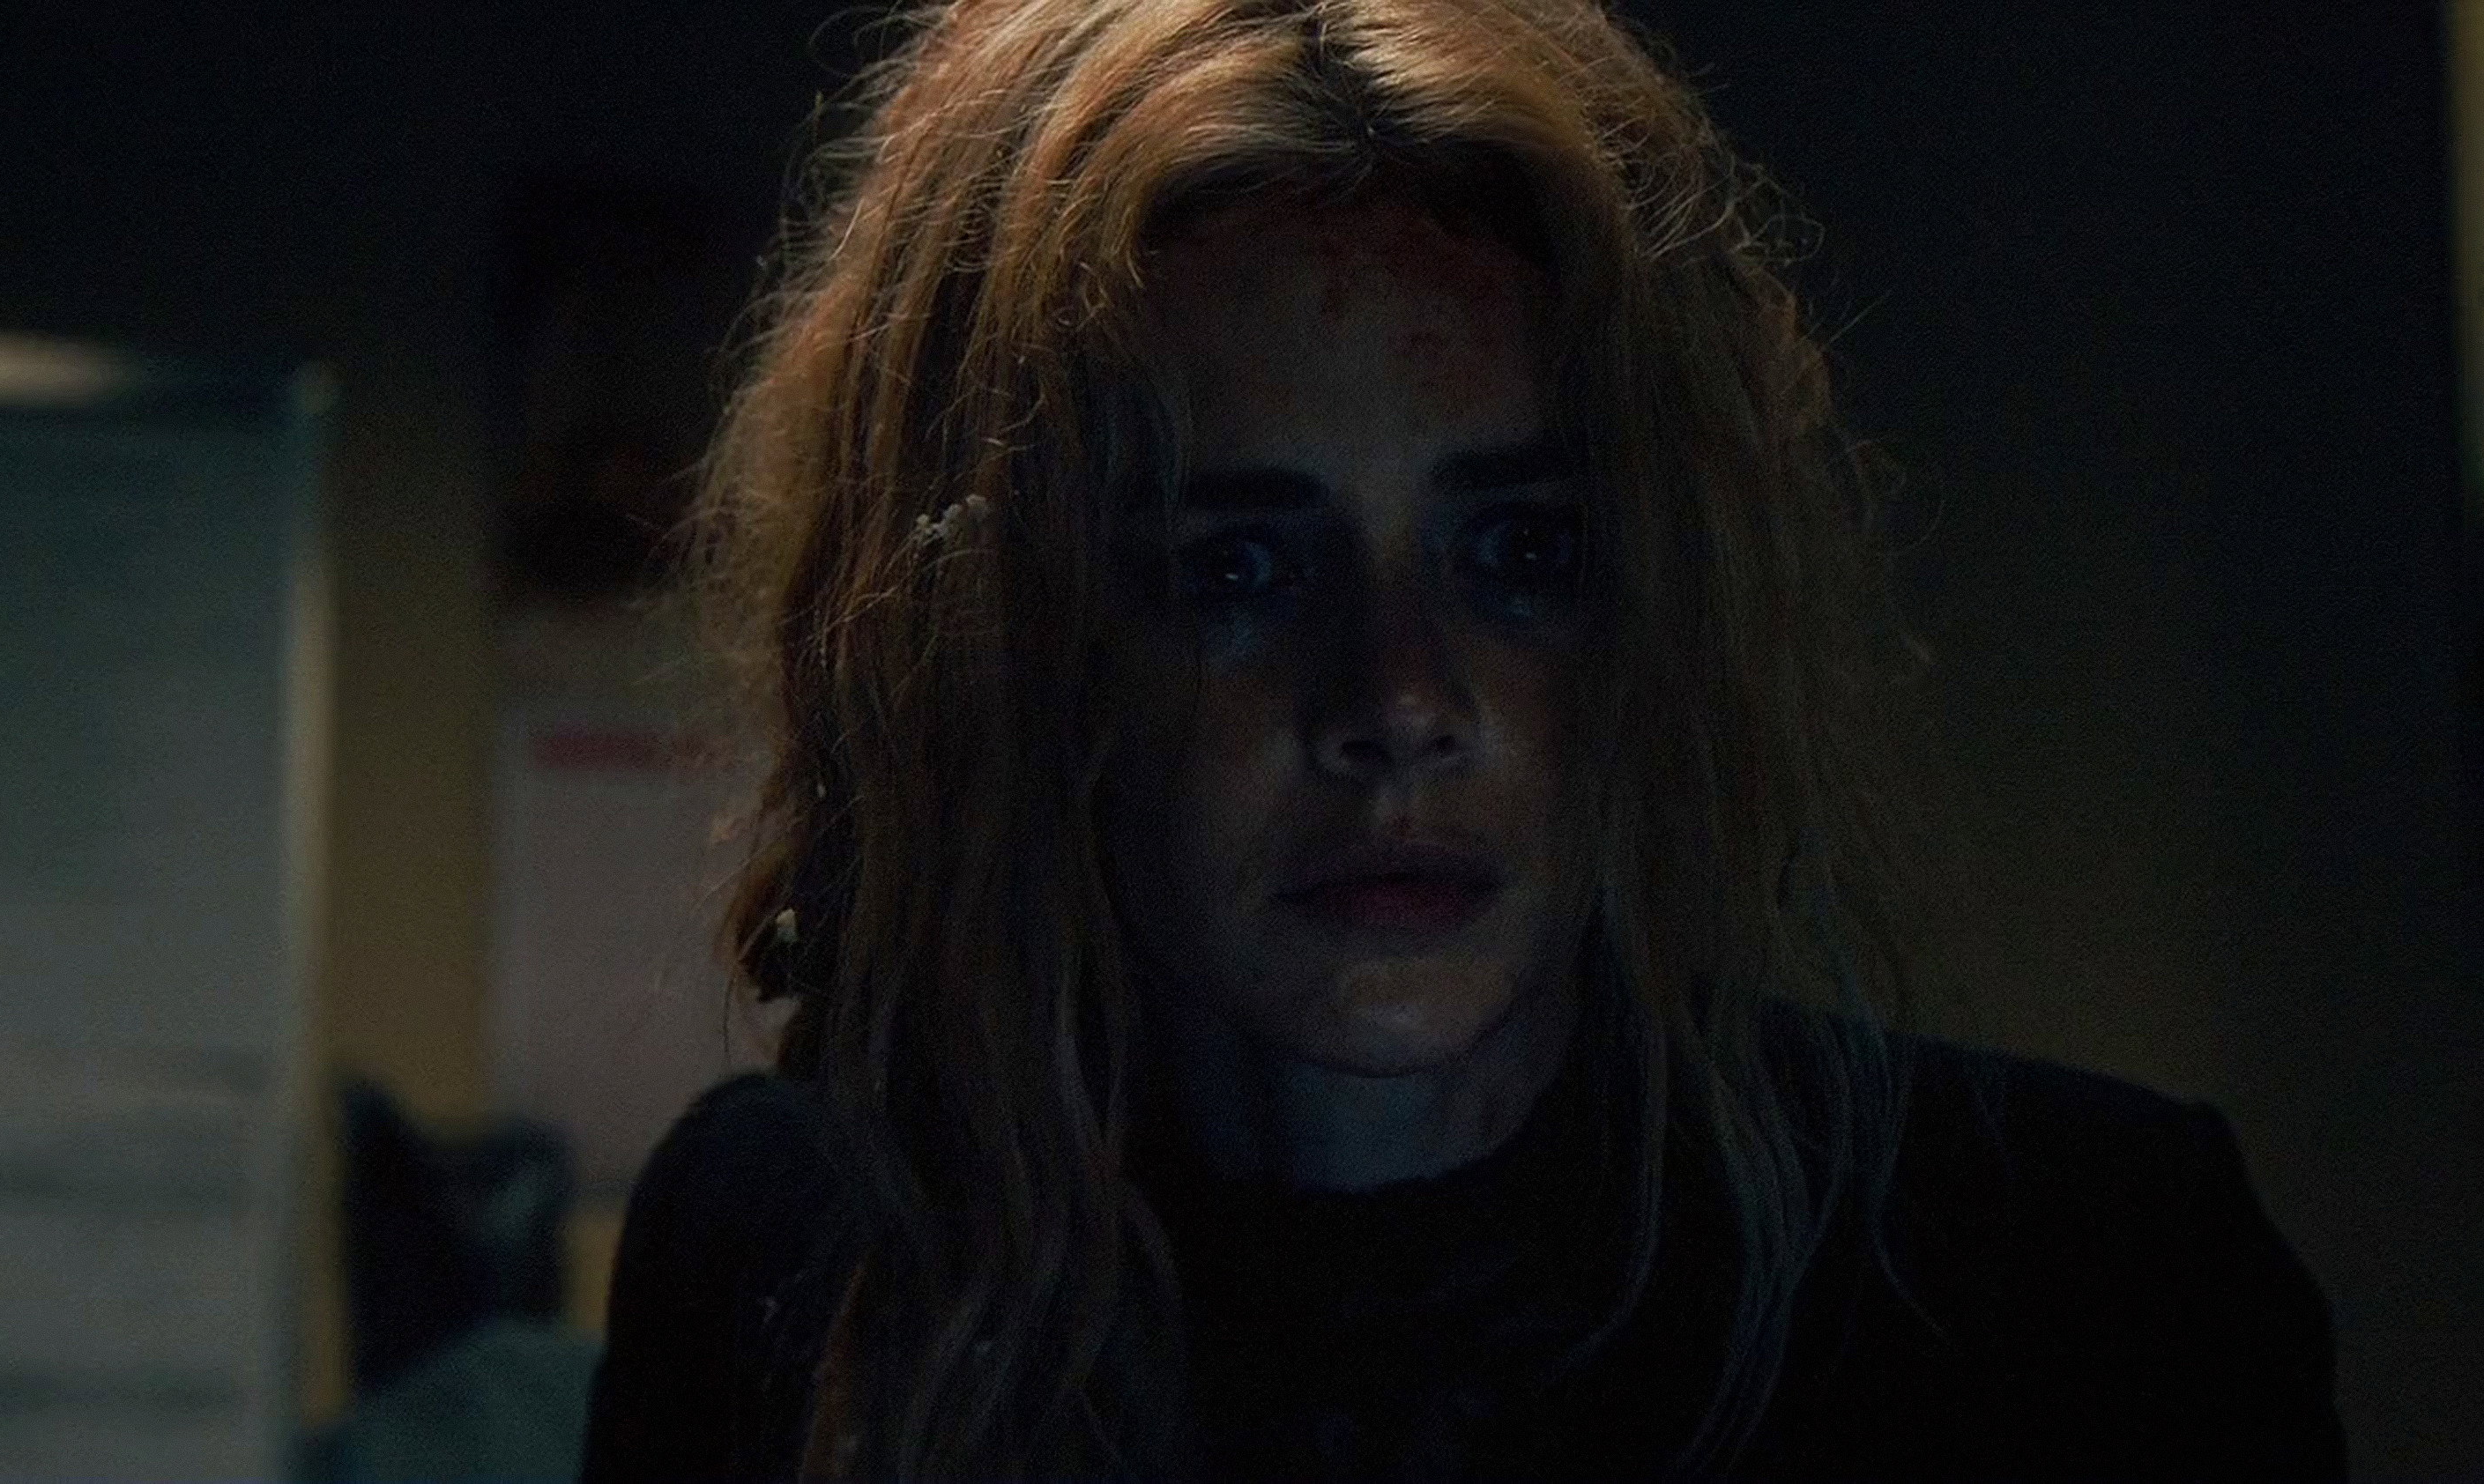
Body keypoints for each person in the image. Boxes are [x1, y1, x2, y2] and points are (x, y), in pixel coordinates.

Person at [582, 0, 2344, 1477]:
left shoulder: (2082, 1281)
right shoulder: (801, 1251)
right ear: (1012, 643)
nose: (1402, 704)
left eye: (1521, 552)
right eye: (1237, 567)